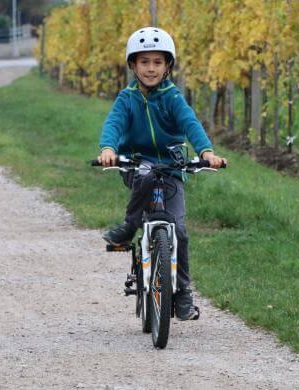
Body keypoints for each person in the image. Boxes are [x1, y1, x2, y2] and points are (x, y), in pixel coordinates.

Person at [95, 27, 227, 321]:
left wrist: (206, 152)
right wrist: (107, 148)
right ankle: (131, 227)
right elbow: (114, 124)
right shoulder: (127, 98)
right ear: (133, 65)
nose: (151, 68)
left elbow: (190, 123)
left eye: (157, 62)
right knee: (143, 175)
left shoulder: (172, 97)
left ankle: (183, 294)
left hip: (171, 168)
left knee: (178, 231)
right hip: (137, 162)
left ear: (168, 66)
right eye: (144, 62)